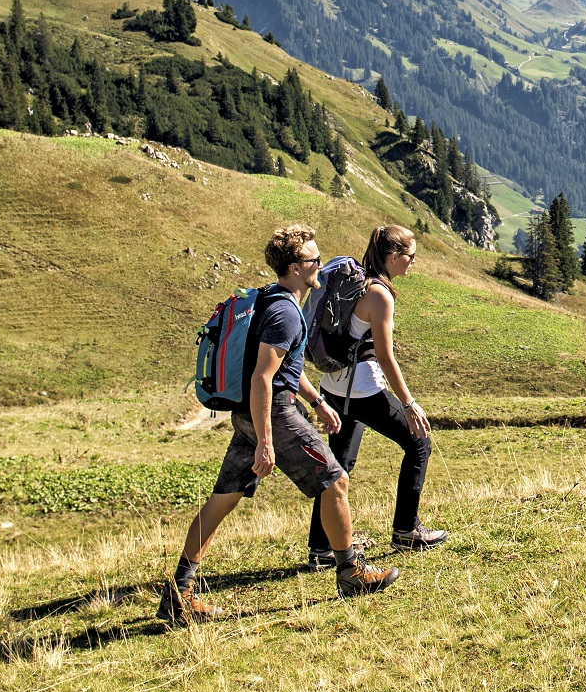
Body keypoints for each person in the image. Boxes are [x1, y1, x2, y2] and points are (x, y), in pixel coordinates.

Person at [163, 224, 399, 626]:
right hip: (273, 414)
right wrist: (266, 442)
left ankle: (179, 591)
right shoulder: (286, 312)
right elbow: (262, 377)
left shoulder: (272, 299)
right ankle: (351, 573)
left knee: (224, 498)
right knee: (335, 481)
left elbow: (286, 365)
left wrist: (318, 402)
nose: (321, 264)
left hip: (249, 415)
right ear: (295, 267)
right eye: (314, 259)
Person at [307, 224, 448, 569]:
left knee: (336, 467)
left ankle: (321, 549)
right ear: (394, 256)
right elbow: (385, 357)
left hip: (332, 387)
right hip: (362, 390)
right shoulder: (379, 294)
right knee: (419, 443)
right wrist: (409, 403)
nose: (413, 262)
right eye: (411, 255)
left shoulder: (357, 282)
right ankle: (406, 530)